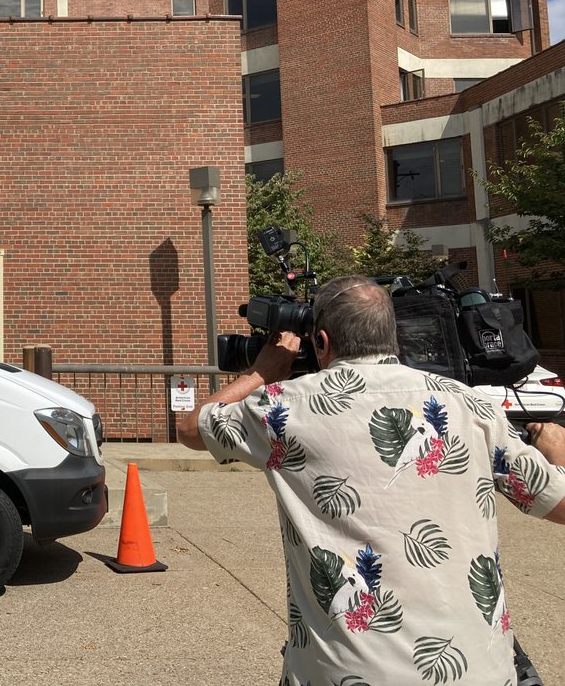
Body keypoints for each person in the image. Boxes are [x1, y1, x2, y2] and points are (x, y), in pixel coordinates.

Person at [177, 275, 565, 685]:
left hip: (346, 672)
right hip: (475, 670)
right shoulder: (469, 405)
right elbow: (558, 503)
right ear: (393, 338)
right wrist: (555, 443)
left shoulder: (282, 409)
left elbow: (189, 428)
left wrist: (262, 372)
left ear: (321, 342)